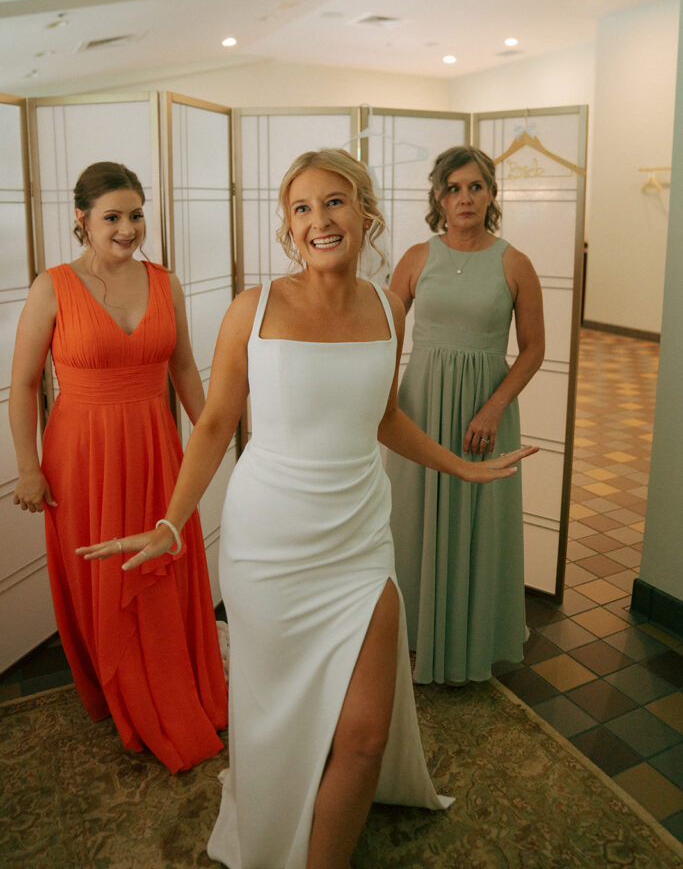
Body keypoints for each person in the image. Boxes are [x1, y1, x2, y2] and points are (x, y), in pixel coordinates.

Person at [78, 149, 537, 869]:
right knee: (275, 723)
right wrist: (173, 523)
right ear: (288, 227)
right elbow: (215, 423)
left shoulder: (388, 309)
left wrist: (461, 467)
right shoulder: (251, 309)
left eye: (334, 202)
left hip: (359, 543)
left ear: (364, 213)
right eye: (300, 208)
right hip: (269, 546)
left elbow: (382, 418)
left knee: (364, 735)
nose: (318, 220)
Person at [9, 161, 227, 773]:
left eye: (136, 215)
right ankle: (123, 694)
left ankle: (170, 688)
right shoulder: (51, 286)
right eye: (113, 217)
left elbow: (183, 370)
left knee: (162, 565)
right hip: (79, 458)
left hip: (157, 448)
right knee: (104, 583)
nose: (128, 228)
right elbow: (24, 385)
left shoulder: (166, 282)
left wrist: (212, 436)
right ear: (81, 220)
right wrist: (28, 467)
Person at [385, 145, 545, 686]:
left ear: (491, 193)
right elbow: (384, 335)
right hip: (422, 406)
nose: (465, 198)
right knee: (412, 515)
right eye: (453, 188)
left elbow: (533, 349)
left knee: (480, 522)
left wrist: (494, 407)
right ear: (438, 196)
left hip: (486, 413)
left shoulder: (514, 262)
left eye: (475, 186)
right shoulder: (414, 259)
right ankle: (412, 636)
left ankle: (474, 639)